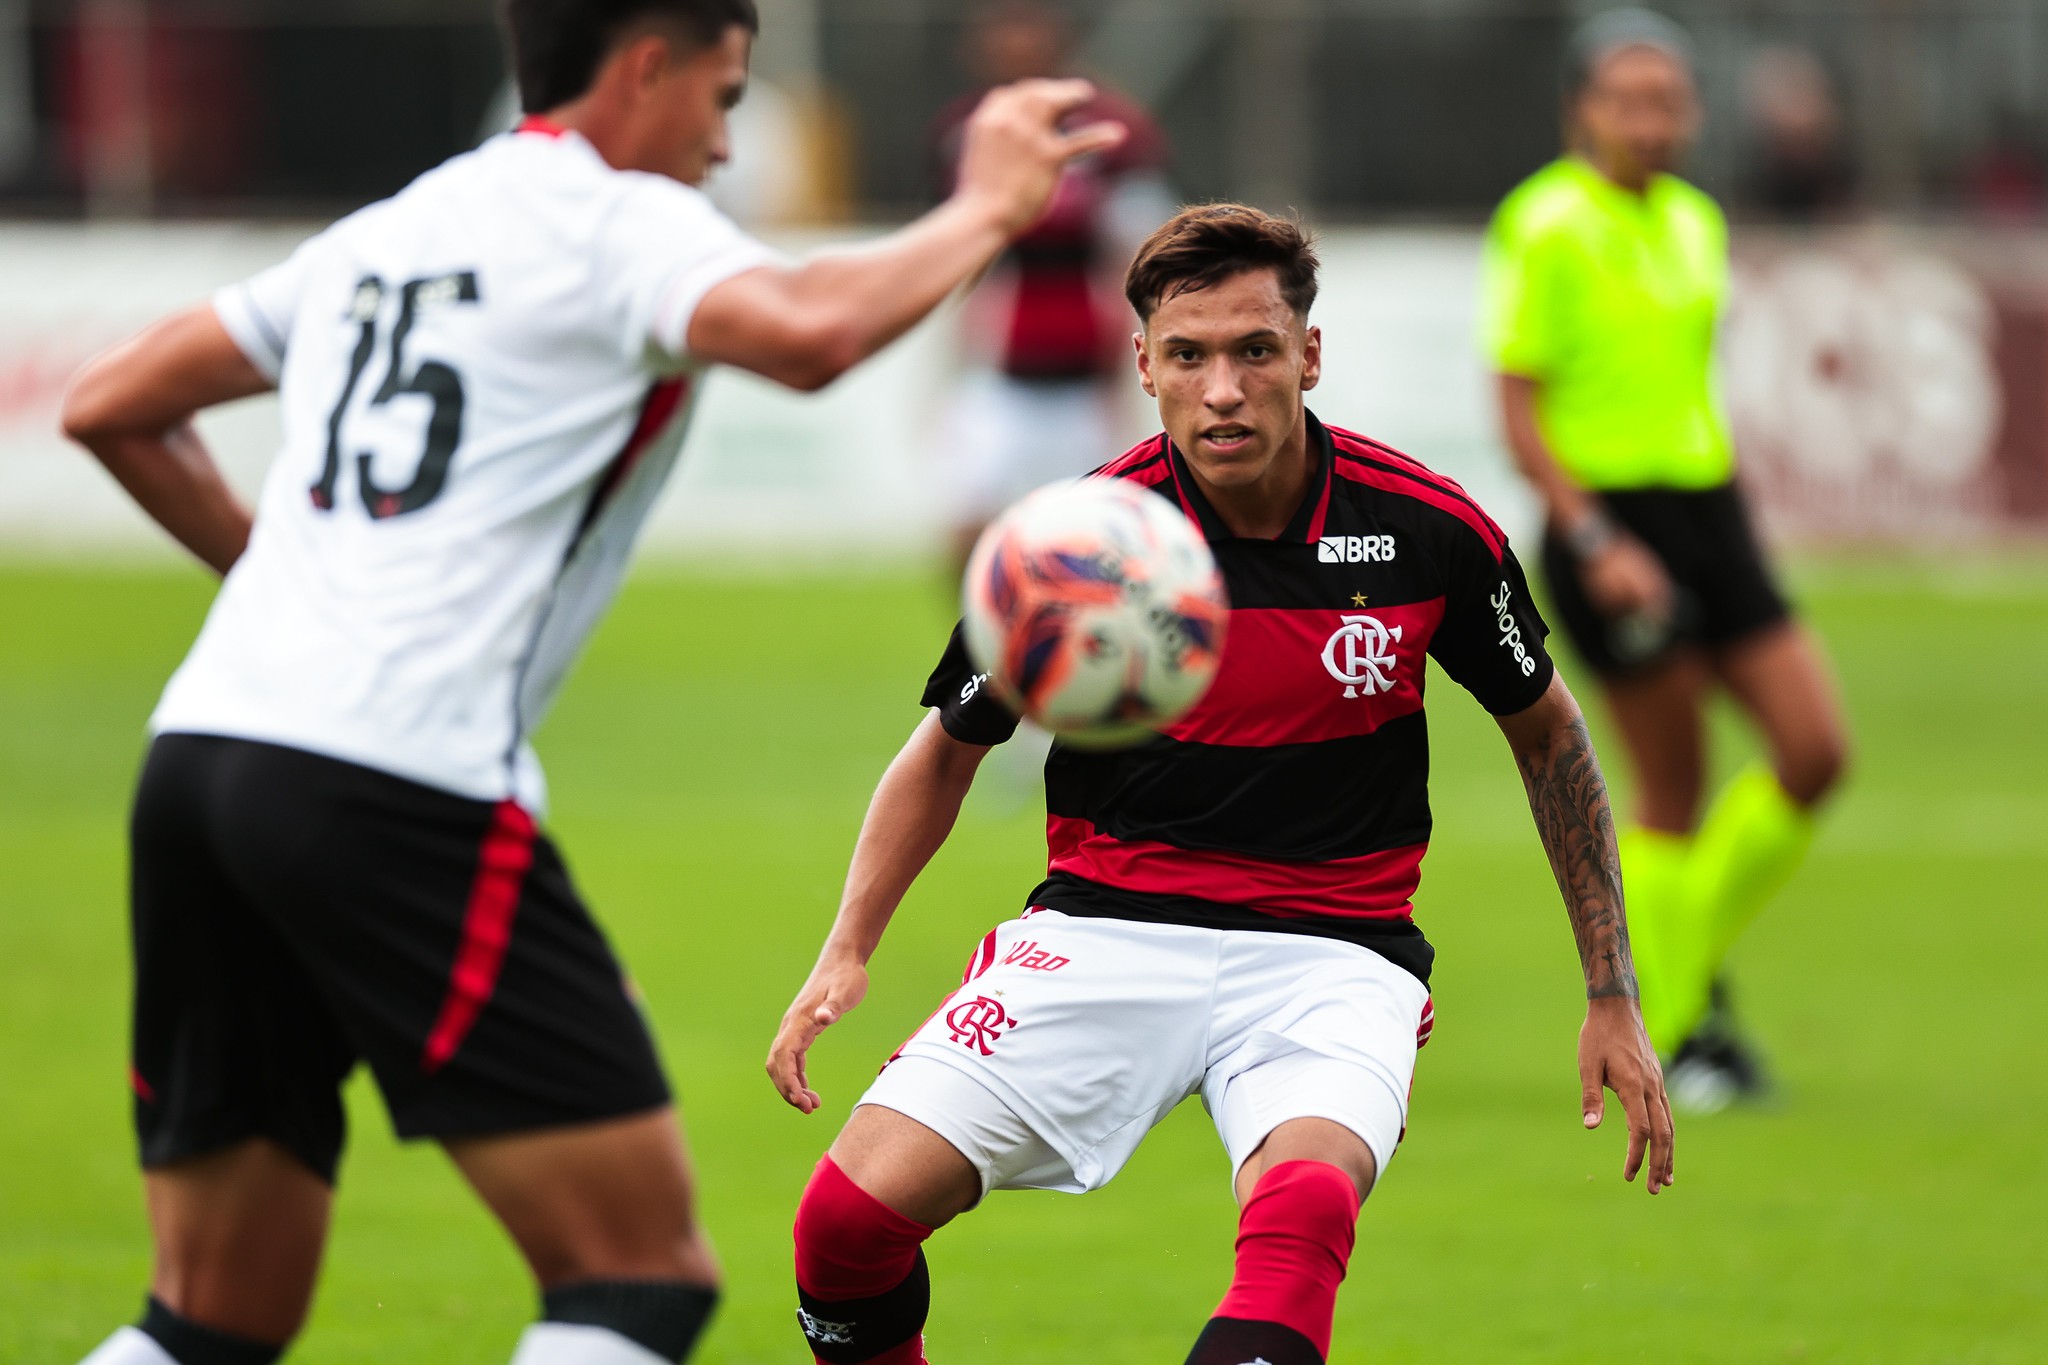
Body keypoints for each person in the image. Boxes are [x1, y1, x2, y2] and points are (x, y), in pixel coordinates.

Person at [56, 1, 1124, 1361]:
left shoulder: (398, 225)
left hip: (204, 757)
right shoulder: (609, 215)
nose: (727, 144)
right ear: (644, 65)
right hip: (394, 780)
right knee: (637, 1279)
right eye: (723, 98)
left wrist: (303, 593)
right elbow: (808, 332)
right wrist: (987, 207)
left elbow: (109, 402)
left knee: (208, 1317)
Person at [767, 204, 1674, 1365]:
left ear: (1307, 353)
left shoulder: (1423, 531)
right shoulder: (1077, 547)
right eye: (1187, 355)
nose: (1223, 389)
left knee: (1299, 1214)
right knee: (843, 1231)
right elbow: (945, 747)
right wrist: (846, 947)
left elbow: (1549, 737)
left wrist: (1611, 990)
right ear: (1141, 364)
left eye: (1253, 349)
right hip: (1104, 928)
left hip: (1333, 952)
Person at [1483, 9, 1851, 1111]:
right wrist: (1594, 537)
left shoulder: (1694, 219)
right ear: (1579, 110)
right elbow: (1515, 409)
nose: (1652, 122)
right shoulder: (1543, 222)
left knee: (1813, 751)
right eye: (1627, 101)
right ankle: (1679, 1030)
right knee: (1670, 788)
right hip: (1606, 522)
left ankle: (1680, 977)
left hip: (1708, 508)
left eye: (1668, 102)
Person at [932, 0, 1176, 572]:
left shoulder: (1113, 131)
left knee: (1102, 537)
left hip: (1088, 381)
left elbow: (1142, 252)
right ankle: (986, 650)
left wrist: (1136, 367)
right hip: (997, 376)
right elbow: (954, 256)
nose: (1013, 39)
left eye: (1026, 24)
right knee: (967, 525)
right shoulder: (964, 131)